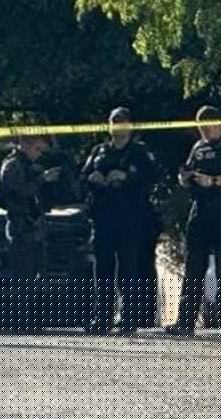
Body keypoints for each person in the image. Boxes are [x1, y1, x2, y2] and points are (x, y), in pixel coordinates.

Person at [166, 106, 221, 337]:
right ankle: (185, 321)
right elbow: (189, 172)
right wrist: (185, 177)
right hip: (201, 207)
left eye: (206, 127)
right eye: (200, 128)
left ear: (218, 123)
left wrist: (213, 180)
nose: (203, 132)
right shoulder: (199, 146)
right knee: (194, 264)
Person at [81, 107, 161, 334]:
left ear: (130, 125)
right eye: (113, 121)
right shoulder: (100, 151)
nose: (117, 125)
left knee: (129, 268)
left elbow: (154, 176)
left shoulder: (139, 152)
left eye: (121, 121)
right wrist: (92, 178)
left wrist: (127, 177)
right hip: (103, 217)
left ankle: (129, 317)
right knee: (103, 268)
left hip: (130, 217)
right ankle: (102, 317)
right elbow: (82, 176)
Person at [0, 134, 60, 330]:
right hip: (20, 226)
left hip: (34, 226)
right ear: (25, 143)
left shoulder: (30, 166)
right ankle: (20, 320)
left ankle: (32, 319)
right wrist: (42, 179)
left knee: (35, 275)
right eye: (37, 150)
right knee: (22, 276)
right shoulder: (13, 165)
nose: (38, 155)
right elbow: (19, 192)